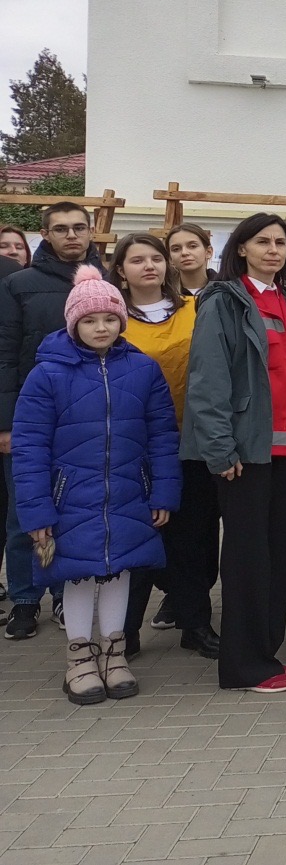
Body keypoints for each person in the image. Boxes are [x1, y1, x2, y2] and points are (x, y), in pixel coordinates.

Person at [13, 266, 181, 704]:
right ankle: (79, 659)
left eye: (109, 318)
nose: (100, 327)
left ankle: (114, 650)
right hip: (69, 495)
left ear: (121, 320)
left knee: (118, 570)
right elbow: (29, 447)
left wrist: (162, 490)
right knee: (78, 573)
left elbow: (163, 434)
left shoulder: (144, 369)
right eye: (89, 320)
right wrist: (37, 512)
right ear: (73, 324)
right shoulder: (46, 375)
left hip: (128, 491)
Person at [182, 213, 286, 692]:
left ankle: (265, 652)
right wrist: (221, 450)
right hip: (245, 454)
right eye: (263, 242)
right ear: (241, 247)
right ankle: (243, 666)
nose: (274, 250)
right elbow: (207, 380)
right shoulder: (223, 301)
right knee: (246, 560)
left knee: (277, 555)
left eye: (280, 243)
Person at [108, 233, 220, 661]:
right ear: (121, 269)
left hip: (191, 440)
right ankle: (127, 630)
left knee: (193, 538)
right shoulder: (110, 317)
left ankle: (195, 624)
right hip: (130, 445)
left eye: (157, 257)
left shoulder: (196, 309)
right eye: (137, 260)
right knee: (135, 537)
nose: (149, 266)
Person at [0, 201, 103, 641]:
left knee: (75, 511)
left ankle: (67, 595)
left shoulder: (107, 281)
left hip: (87, 420)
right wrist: (6, 423)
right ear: (45, 233)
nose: (72, 236)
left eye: (79, 228)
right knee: (26, 512)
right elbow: (5, 354)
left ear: (92, 231)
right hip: (32, 418)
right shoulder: (18, 284)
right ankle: (25, 599)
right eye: (61, 229)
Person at [167, 223, 216, 295]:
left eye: (192, 246)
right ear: (170, 258)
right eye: (176, 249)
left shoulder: (226, 291)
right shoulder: (163, 294)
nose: (184, 253)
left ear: (208, 252)